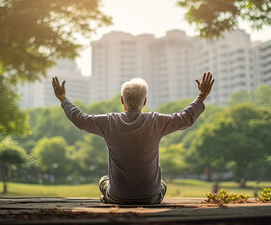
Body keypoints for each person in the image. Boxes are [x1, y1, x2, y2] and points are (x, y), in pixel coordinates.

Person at [52, 72, 214, 204]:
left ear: (122, 101)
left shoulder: (109, 121)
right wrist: (201, 96)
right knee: (162, 184)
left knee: (103, 181)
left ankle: (108, 197)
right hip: (151, 198)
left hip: (117, 197)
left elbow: (80, 119)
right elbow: (185, 118)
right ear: (144, 101)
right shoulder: (155, 121)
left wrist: (63, 99)